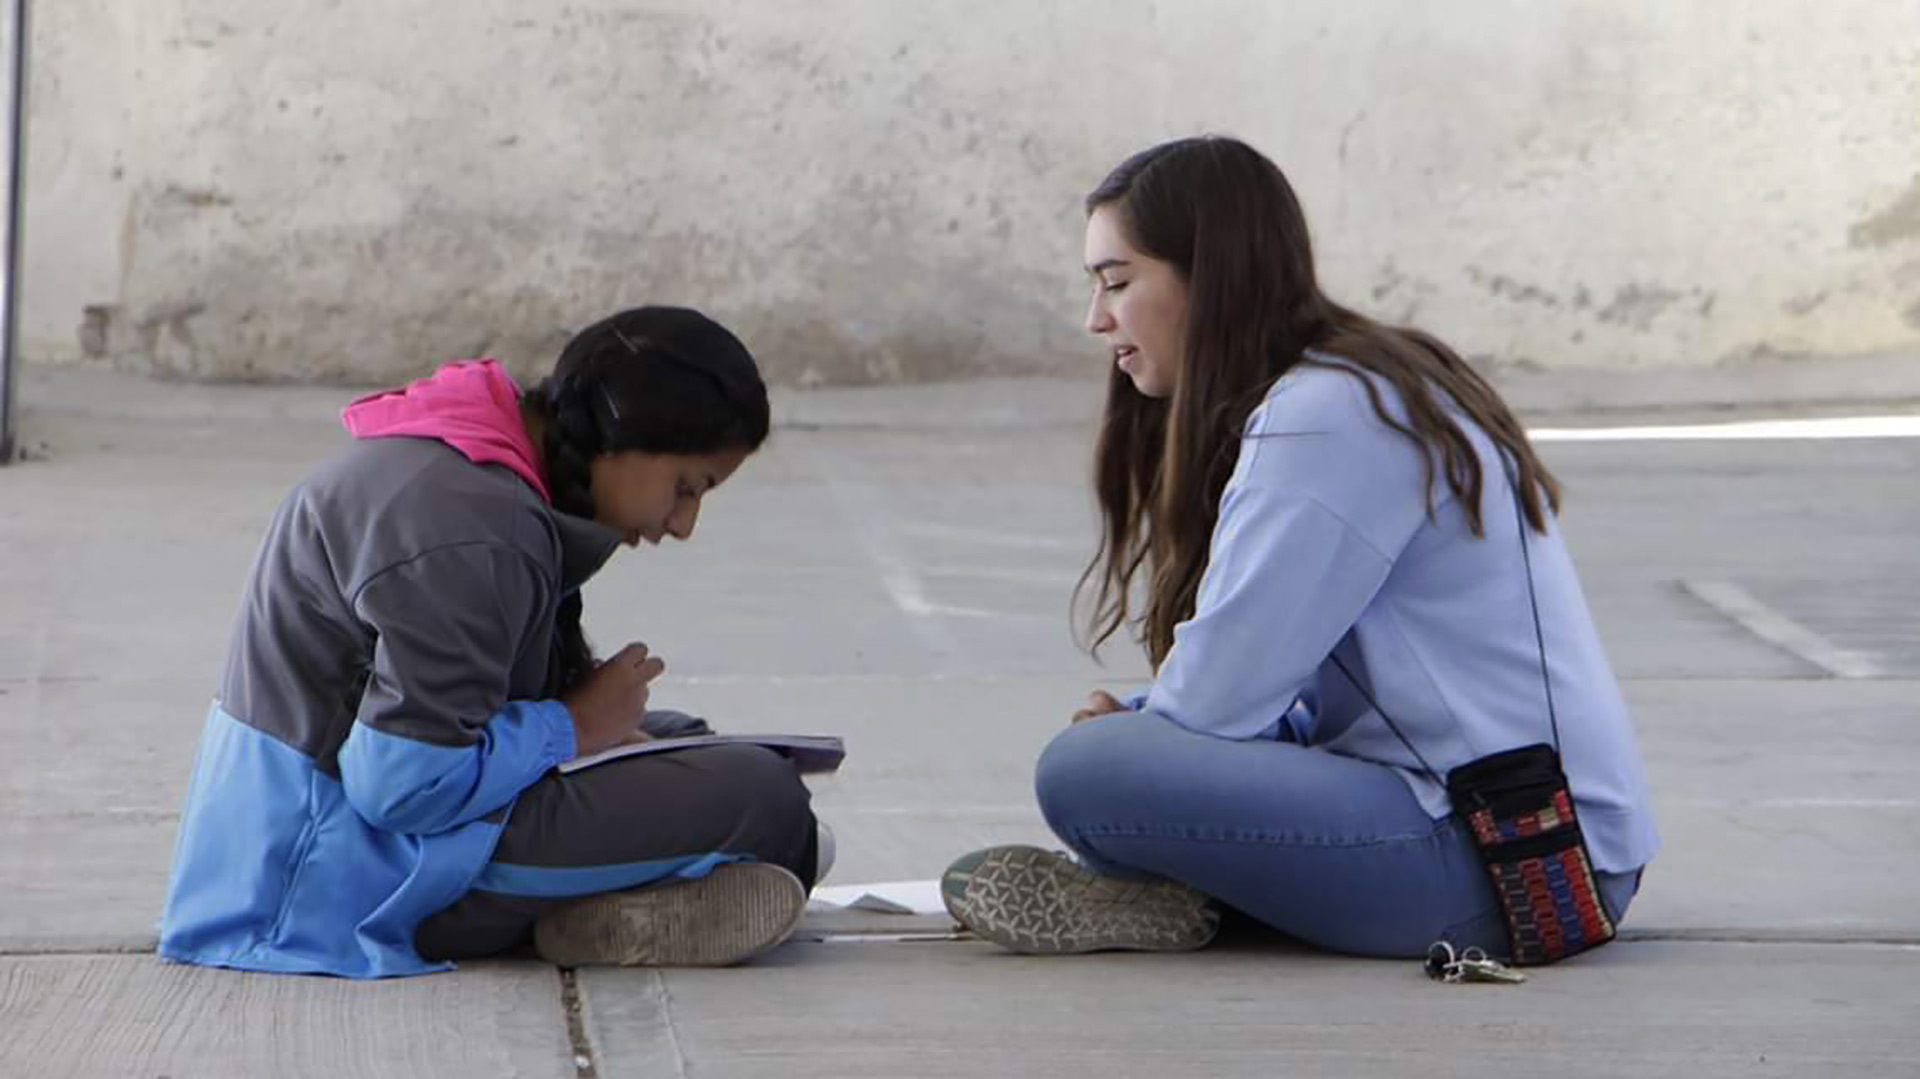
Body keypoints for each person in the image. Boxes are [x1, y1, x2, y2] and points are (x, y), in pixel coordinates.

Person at [941, 136, 1658, 960]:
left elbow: (1220, 700)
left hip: (1509, 869)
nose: (1097, 318)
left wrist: (1142, 734)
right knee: (1131, 745)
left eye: (1117, 281)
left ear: (1207, 279)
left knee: (1085, 773)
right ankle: (1178, 895)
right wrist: (1151, 719)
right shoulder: (1362, 384)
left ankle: (1164, 894)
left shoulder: (1327, 414)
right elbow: (1286, 694)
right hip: (1542, 849)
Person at [159, 306, 822, 978]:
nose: (683, 524)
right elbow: (399, 785)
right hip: (316, 887)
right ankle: (626, 894)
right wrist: (572, 725)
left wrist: (591, 728)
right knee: (766, 801)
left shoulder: (479, 463)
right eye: (686, 487)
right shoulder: (476, 528)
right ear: (625, 433)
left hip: (321, 847)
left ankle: (624, 898)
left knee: (692, 741)